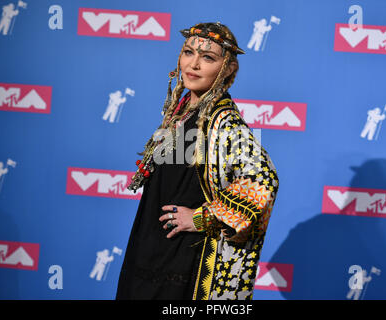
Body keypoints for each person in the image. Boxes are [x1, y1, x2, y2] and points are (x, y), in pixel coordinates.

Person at [116, 22, 279, 300]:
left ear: (227, 69)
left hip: (184, 263)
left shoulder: (224, 121)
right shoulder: (181, 109)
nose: (194, 64)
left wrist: (203, 217)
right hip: (151, 249)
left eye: (208, 57)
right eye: (189, 52)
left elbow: (264, 180)